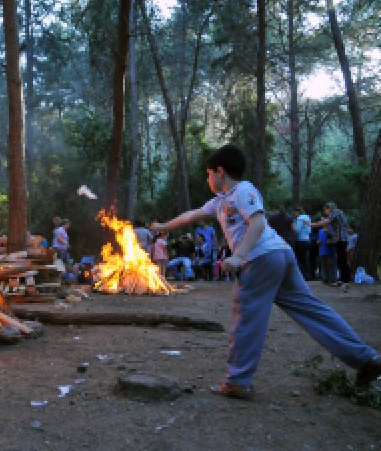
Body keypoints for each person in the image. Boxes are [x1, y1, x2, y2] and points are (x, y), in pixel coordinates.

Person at [150, 144, 380, 399]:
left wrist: (238, 256)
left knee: (246, 316)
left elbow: (258, 223)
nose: (207, 179)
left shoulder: (243, 191)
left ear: (220, 171)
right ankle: (365, 359)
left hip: (262, 259)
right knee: (311, 309)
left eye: (208, 174)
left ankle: (238, 380)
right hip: (279, 257)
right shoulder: (220, 201)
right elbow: (191, 215)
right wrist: (165, 226)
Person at [309, 202, 350, 285]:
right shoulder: (337, 213)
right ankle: (343, 279)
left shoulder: (336, 212)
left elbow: (326, 222)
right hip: (338, 239)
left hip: (341, 238)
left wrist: (311, 224)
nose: (325, 211)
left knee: (342, 259)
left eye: (326, 209)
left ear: (330, 208)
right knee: (340, 259)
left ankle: (345, 279)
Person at [291, 207, 311, 280]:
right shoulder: (308, 217)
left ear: (297, 212)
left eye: (294, 212)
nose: (294, 214)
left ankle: (303, 275)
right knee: (305, 258)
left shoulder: (300, 218)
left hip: (301, 240)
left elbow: (297, 230)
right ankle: (308, 274)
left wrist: (292, 227)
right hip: (307, 239)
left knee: (299, 258)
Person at [317, 221, 336, 286]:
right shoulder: (320, 231)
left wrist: (330, 238)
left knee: (330, 265)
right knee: (323, 265)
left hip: (330, 251)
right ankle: (325, 278)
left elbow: (334, 239)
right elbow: (319, 239)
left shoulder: (332, 229)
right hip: (322, 251)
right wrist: (318, 241)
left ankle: (332, 279)